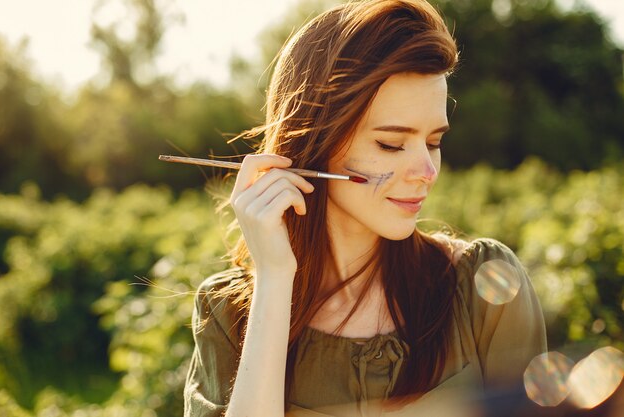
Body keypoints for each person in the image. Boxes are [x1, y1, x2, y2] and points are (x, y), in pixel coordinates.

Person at [184, 0, 547, 416]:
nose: (426, 171)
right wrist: (275, 278)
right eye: (390, 144)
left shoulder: (486, 286)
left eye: (433, 142)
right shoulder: (227, 311)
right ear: (313, 145)